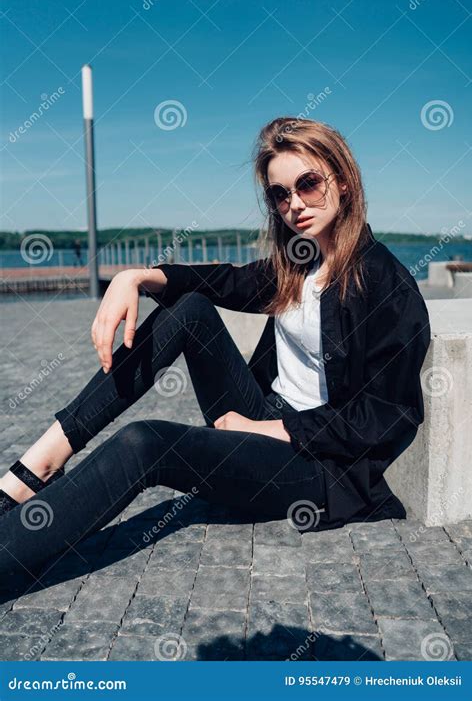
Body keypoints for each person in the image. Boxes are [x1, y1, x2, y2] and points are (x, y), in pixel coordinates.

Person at [0, 117, 431, 576]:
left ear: (342, 182)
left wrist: (272, 430)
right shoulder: (298, 262)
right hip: (263, 415)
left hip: (313, 465)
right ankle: (39, 464)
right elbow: (225, 280)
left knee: (146, 442)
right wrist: (138, 277)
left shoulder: (387, 285)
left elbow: (387, 416)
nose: (295, 204)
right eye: (279, 194)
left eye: (308, 184)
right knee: (189, 308)